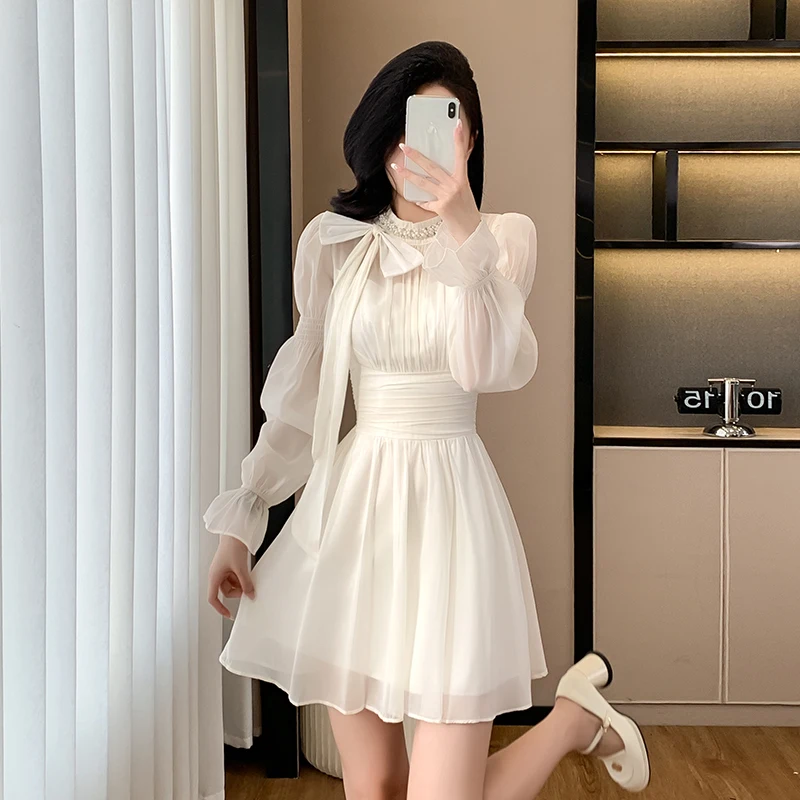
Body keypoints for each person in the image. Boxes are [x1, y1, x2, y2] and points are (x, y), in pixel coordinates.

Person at [205, 40, 650, 798]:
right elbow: (306, 394)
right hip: (354, 518)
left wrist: (462, 224)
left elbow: (486, 368)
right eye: (406, 129)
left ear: (468, 140)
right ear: (381, 138)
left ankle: (569, 723)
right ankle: (577, 717)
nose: (419, 149)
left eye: (443, 127)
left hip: (451, 514)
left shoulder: (503, 240)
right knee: (375, 785)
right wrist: (243, 519)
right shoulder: (338, 243)